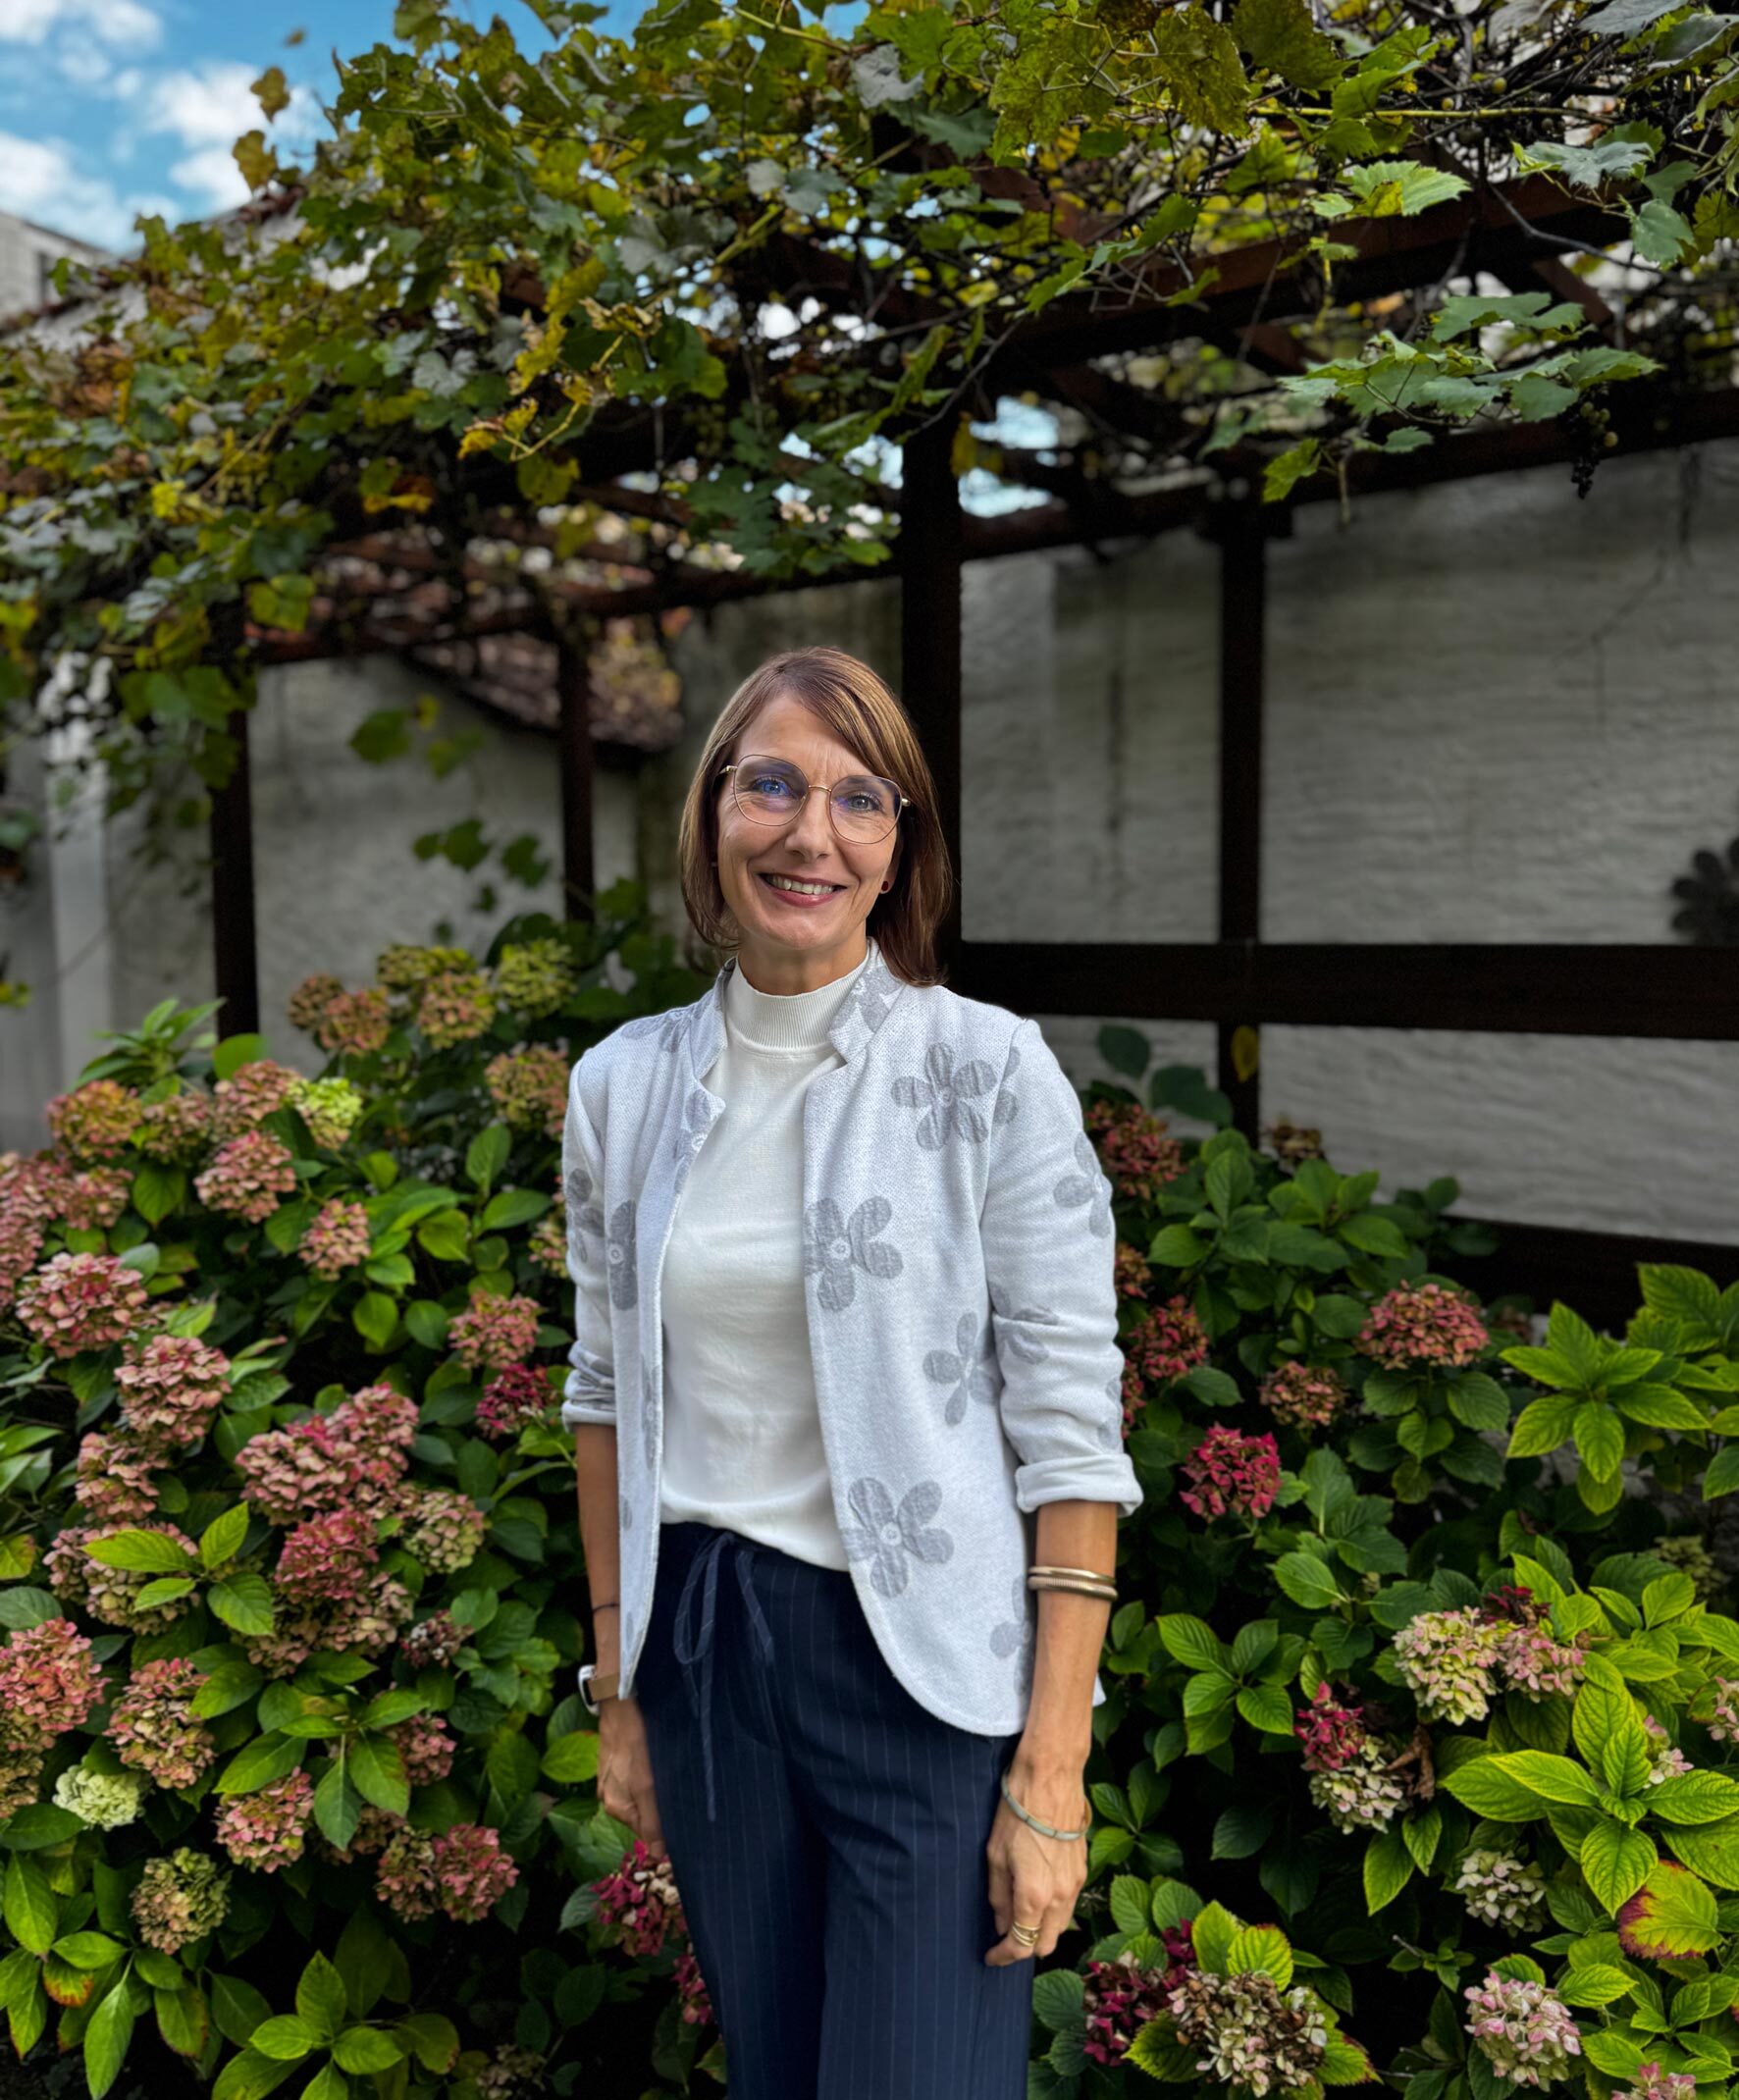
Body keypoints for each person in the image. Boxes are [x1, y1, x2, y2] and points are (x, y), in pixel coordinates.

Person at [561, 645, 1141, 2098]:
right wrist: (620, 1685)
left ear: (900, 851)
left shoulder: (990, 1074)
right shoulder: (620, 1087)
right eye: (771, 784)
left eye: (858, 798)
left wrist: (1053, 1768)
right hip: (702, 1647)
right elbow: (604, 1395)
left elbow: (1071, 1429)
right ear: (711, 818)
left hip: (922, 1669)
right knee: (774, 2071)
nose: (808, 832)